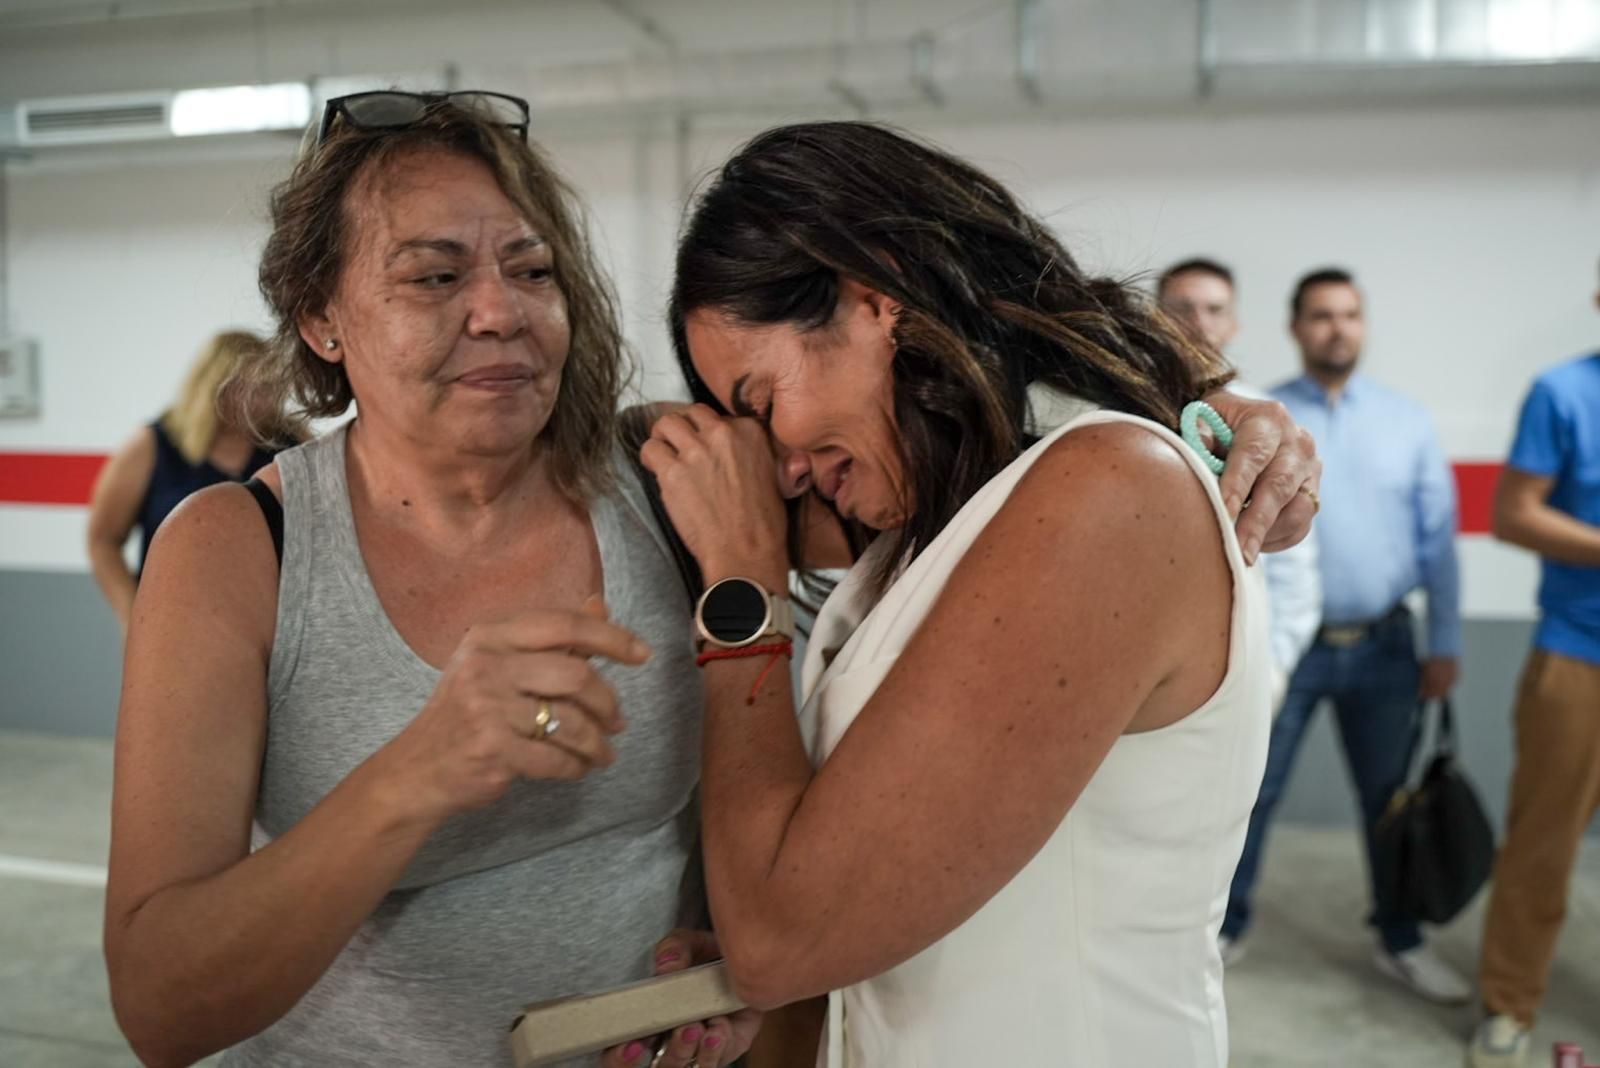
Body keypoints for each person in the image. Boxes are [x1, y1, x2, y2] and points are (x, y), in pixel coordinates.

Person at [103, 97, 1317, 1068]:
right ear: (321, 318)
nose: (500, 312)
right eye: (433, 276)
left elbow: (1016, 432)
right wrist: (415, 774)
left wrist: (1220, 405)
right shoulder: (239, 549)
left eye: (533, 269)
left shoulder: (678, 480)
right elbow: (161, 1008)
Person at [638, 120, 1321, 1066]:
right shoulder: (946, 512)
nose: (782, 466)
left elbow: (776, 941)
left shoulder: (1110, 494)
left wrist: (741, 586)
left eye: (760, 400)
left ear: (875, 295)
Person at [1220, 267, 1471, 1003]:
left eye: (1350, 315)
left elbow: (1439, 542)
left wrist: (1446, 642)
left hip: (1387, 648)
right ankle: (1224, 930)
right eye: (1322, 315)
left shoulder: (1407, 421)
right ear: (1296, 328)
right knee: (1251, 793)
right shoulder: (1263, 419)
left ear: (1363, 325)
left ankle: (1400, 938)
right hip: (1289, 648)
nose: (1338, 328)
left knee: (1389, 802)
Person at [1467, 274, 1600, 1067]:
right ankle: (1507, 1005)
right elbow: (1512, 514)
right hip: (1579, 656)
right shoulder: (1563, 393)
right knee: (1542, 847)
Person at [1158, 258, 1322, 716]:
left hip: (1240, 657)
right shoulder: (1120, 409)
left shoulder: (1267, 421)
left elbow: (1294, 565)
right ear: (1153, 318)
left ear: (1234, 324)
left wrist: (1273, 668)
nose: (1198, 323)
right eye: (1182, 308)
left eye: (1214, 310)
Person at [85, 330, 285, 633]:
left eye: (266, 387)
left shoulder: (288, 448)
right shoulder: (154, 446)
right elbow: (103, 540)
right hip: (175, 624)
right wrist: (132, 617)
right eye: (243, 388)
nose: (257, 400)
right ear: (213, 388)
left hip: (271, 626)